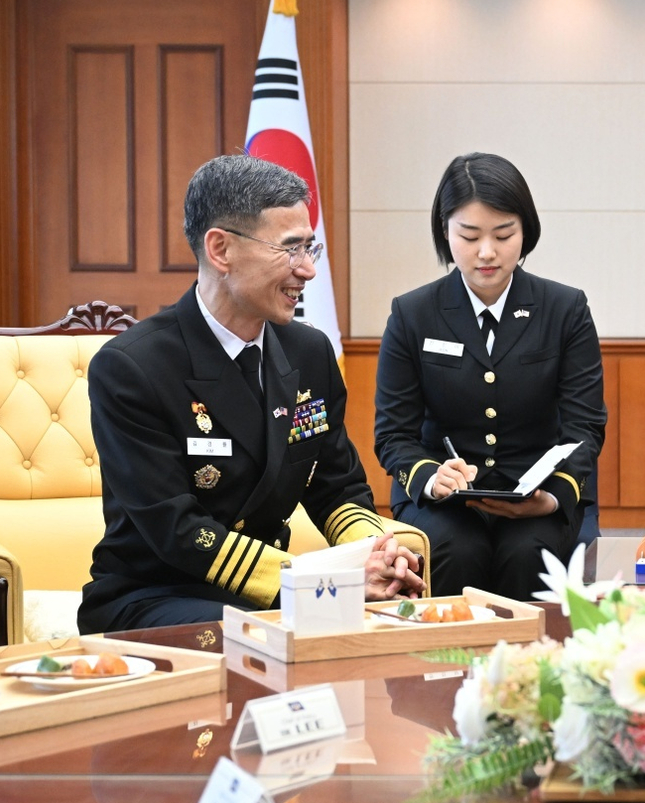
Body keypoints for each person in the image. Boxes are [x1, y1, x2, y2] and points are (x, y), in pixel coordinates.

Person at [79, 155, 424, 634]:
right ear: (220, 250)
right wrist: (319, 583)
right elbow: (177, 529)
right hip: (156, 596)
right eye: (290, 249)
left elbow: (337, 488)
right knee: (281, 634)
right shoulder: (133, 367)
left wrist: (378, 553)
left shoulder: (309, 352)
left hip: (272, 596)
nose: (307, 270)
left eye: (310, 248)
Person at [375, 151, 605, 599]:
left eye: (504, 235)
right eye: (469, 235)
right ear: (446, 231)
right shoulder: (412, 314)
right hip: (444, 501)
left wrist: (553, 496)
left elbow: (584, 426)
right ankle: (443, 669)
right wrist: (430, 477)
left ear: (526, 232)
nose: (486, 252)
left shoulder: (565, 310)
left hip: (537, 494)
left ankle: (529, 669)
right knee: (454, 550)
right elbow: (392, 434)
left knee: (529, 553)